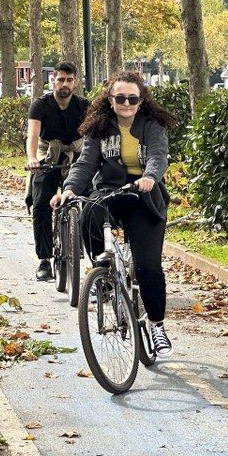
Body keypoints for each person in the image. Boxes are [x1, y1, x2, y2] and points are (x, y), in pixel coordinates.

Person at [51, 71, 176, 357]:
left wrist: (150, 177)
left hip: (144, 196)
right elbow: (85, 164)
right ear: (110, 100)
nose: (126, 103)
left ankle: (157, 326)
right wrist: (70, 189)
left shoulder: (152, 126)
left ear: (141, 100)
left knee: (149, 267)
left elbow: (158, 156)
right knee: (88, 211)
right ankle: (104, 273)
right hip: (110, 192)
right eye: (120, 98)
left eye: (133, 98)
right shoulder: (100, 128)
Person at [26, 61, 90, 282]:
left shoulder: (83, 106)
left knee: (91, 200)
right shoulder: (40, 105)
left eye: (69, 80)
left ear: (75, 82)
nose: (65, 84)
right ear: (53, 79)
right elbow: (33, 135)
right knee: (41, 202)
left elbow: (93, 135)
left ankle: (92, 257)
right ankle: (44, 259)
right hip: (48, 154)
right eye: (61, 79)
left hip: (76, 154)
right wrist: (33, 158)